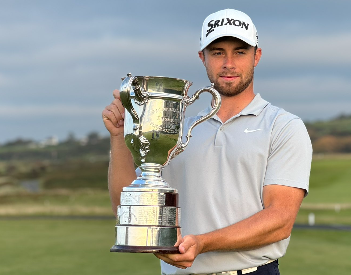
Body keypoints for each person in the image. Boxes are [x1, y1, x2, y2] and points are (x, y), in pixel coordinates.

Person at [102, 8, 312, 275]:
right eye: (217, 52)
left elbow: (280, 219)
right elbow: (126, 207)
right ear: (202, 57)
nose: (228, 63)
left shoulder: (282, 127)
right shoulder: (177, 130)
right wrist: (119, 137)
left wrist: (203, 243)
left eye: (240, 51)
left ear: (256, 56)